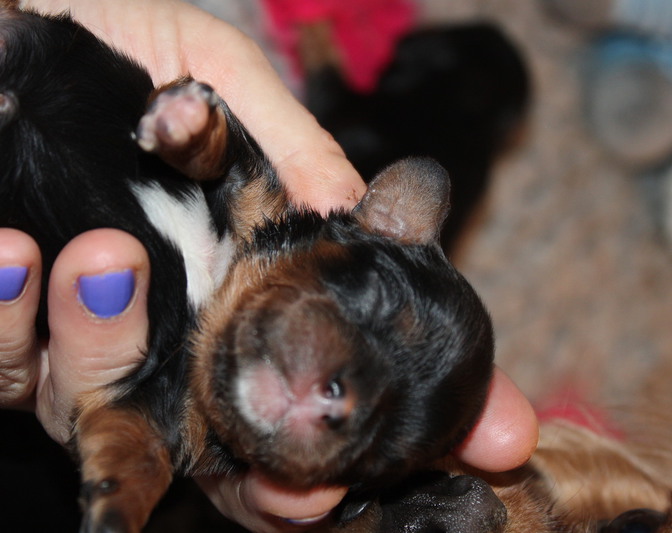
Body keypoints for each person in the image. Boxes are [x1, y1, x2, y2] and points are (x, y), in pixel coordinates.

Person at [0, 0, 538, 530]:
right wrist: (199, 135)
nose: (345, 401)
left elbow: (131, 434)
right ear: (376, 224)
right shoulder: (260, 211)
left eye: (380, 440)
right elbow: (231, 162)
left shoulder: (184, 423)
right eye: (373, 317)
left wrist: (128, 485)